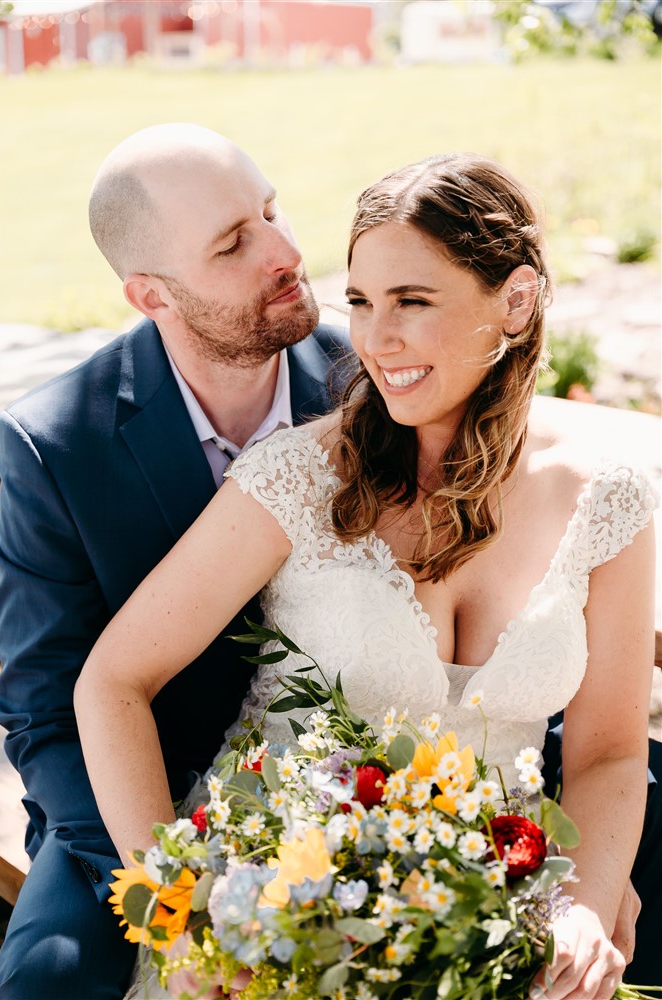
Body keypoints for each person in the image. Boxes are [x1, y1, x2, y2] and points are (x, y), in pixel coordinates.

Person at [74, 152, 660, 998]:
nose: (375, 340)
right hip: (273, 925)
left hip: (492, 921)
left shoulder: (608, 500)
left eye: (412, 302)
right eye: (360, 302)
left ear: (518, 302)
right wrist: (184, 914)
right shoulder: (300, 478)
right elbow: (112, 682)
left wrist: (584, 899)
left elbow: (607, 753)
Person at [0, 123, 350, 1000]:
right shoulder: (53, 446)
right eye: (234, 243)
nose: (287, 251)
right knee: (48, 984)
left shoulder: (369, 383)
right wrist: (169, 884)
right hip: (136, 799)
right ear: (150, 295)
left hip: (352, 784)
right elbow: (46, 710)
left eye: (271, 211)